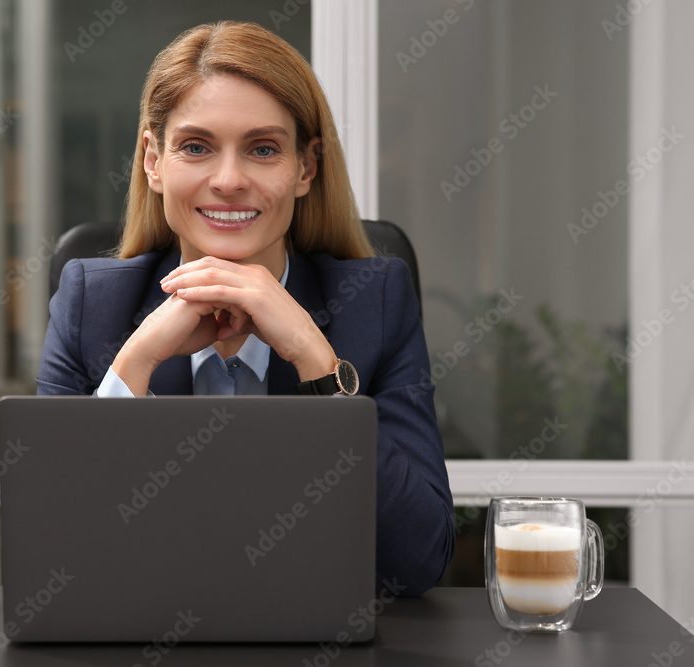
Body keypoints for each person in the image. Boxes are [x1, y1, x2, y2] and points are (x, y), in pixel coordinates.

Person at [37, 21, 454, 595]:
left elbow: (418, 560)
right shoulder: (92, 304)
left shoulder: (376, 302)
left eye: (262, 149)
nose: (229, 180)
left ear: (306, 167)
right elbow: (54, 562)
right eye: (195, 147)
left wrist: (316, 362)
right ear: (153, 161)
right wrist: (136, 364)